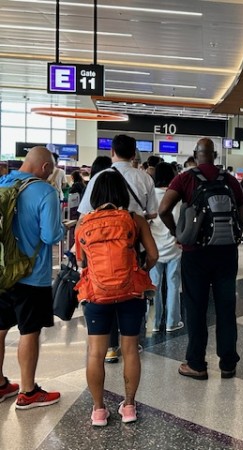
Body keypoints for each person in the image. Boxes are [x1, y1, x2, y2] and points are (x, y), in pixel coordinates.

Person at [158, 137, 243, 380]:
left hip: (195, 252)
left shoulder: (185, 178)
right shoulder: (228, 179)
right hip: (226, 252)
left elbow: (164, 209)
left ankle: (196, 363)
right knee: (226, 308)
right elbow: (242, 207)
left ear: (197, 155)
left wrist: (178, 232)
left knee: (195, 307)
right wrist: (235, 234)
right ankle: (228, 363)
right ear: (215, 156)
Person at [77, 170, 158, 426]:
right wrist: (139, 270)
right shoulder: (135, 220)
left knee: (95, 353)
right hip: (131, 292)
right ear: (123, 193)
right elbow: (153, 255)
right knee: (130, 349)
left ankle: (99, 410)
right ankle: (130, 407)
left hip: (97, 295)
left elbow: (81, 261)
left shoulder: (85, 223)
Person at [79, 135, 158, 363]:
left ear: (112, 151)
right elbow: (151, 213)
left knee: (105, 287)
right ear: (135, 154)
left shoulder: (100, 177)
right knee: (128, 289)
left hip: (100, 252)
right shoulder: (144, 177)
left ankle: (111, 347)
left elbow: (85, 214)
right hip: (134, 245)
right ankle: (131, 341)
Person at [0, 146, 65, 409]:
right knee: (29, 331)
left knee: (0, 329)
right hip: (31, 274)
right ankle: (28, 392)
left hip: (3, 272)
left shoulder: (3, 183)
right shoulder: (45, 192)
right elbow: (50, 236)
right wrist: (63, 227)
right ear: (46, 168)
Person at [149, 162, 183, 332]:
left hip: (154, 249)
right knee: (174, 284)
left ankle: (154, 323)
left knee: (154, 285)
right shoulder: (177, 195)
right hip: (175, 247)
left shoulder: (150, 196)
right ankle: (172, 322)